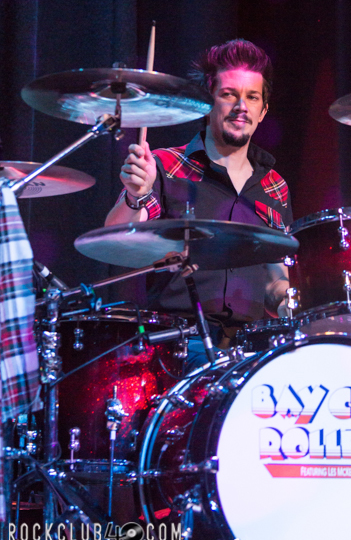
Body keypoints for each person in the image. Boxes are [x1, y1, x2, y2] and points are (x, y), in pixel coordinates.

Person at [105, 39, 293, 368]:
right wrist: (136, 195)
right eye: (229, 94)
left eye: (252, 97)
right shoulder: (165, 166)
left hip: (250, 347)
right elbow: (115, 237)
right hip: (178, 344)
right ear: (207, 103)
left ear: (263, 111)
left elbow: (273, 278)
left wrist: (286, 302)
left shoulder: (275, 186)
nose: (241, 107)